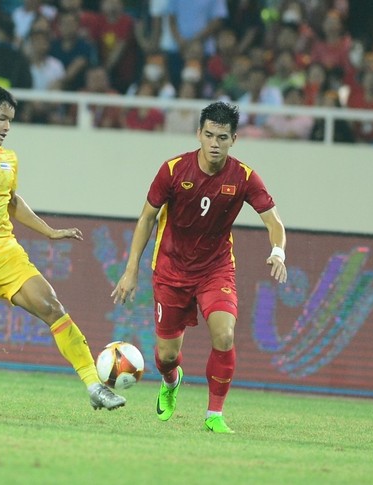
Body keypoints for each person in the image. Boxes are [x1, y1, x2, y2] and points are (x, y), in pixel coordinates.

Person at [0, 84, 125, 416]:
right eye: (2, 118)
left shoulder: (8, 159)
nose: (7, 127)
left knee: (51, 306)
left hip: (4, 252)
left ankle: (94, 385)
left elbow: (12, 201)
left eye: (10, 120)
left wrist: (49, 231)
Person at [111, 101, 287, 434]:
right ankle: (172, 379)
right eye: (209, 135)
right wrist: (131, 269)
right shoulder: (174, 170)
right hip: (171, 270)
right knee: (166, 355)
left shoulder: (244, 177)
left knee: (224, 334)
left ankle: (214, 414)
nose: (215, 143)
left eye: (222, 137)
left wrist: (278, 251)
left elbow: (273, 220)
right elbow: (147, 217)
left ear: (234, 139)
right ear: (199, 134)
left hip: (215, 270)